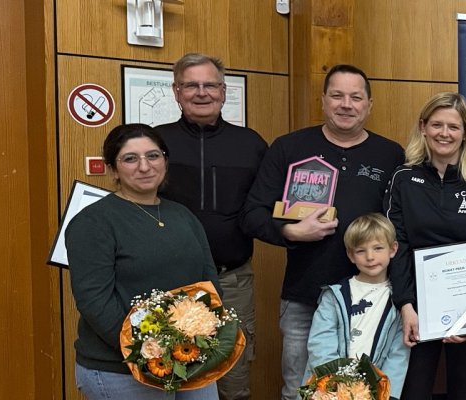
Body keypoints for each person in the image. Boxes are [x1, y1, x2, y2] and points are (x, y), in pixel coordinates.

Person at [241, 64, 406, 400]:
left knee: (372, 390)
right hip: (306, 296)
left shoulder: (391, 154)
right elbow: (251, 215)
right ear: (323, 100)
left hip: (373, 297)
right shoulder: (289, 148)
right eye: (337, 95)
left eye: (356, 97)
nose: (346, 104)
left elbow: (402, 222)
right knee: (301, 389)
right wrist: (291, 232)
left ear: (368, 105)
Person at [67, 124, 222, 399]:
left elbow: (209, 282)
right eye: (130, 158)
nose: (144, 166)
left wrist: (198, 338)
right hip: (123, 368)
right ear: (113, 169)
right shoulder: (93, 222)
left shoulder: (182, 215)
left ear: (164, 161)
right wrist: (148, 350)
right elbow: (95, 301)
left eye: (153, 155)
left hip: (190, 360)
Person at [156, 52, 268, 400]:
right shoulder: (155, 143)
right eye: (191, 85)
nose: (201, 92)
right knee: (167, 372)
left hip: (231, 280)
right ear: (176, 92)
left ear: (223, 91)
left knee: (234, 378)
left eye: (210, 85)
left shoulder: (251, 144)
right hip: (167, 281)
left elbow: (268, 205)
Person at [385, 92, 466, 399]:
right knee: (413, 392)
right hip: (416, 310)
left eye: (453, 127)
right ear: (423, 127)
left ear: (465, 134)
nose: (444, 133)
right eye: (436, 124)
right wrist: (405, 305)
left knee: (465, 393)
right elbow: (398, 245)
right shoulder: (404, 179)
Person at [305, 213, 410, 398]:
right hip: (329, 389)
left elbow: (398, 355)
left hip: (373, 391)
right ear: (351, 255)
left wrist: (388, 395)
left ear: (393, 249)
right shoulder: (334, 295)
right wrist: (336, 384)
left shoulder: (399, 301)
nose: (370, 257)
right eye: (361, 251)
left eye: (378, 248)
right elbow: (320, 342)